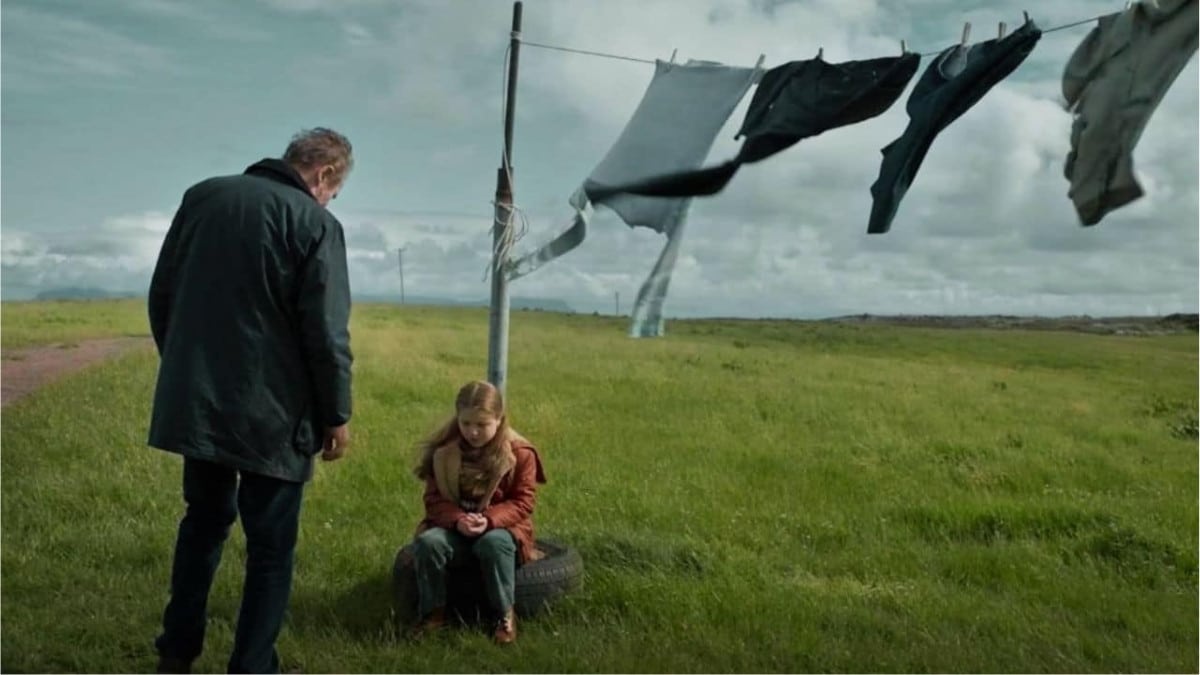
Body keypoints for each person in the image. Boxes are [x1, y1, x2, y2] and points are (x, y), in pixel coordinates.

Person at [147, 127, 355, 674]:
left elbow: (162, 294)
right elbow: (326, 334)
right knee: (270, 548)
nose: (333, 199)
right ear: (326, 175)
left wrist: (186, 370)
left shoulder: (202, 196)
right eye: (337, 190)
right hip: (275, 416)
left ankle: (176, 652)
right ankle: (252, 665)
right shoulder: (317, 223)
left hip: (201, 403)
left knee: (203, 521)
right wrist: (336, 414)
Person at [410, 380, 547, 645]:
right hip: (455, 526)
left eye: (482, 425)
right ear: (458, 419)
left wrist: (490, 520)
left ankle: (504, 614)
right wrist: (458, 519)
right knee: (429, 543)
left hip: (502, 528)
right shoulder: (444, 452)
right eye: (466, 424)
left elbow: (523, 501)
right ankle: (433, 613)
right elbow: (434, 499)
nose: (472, 432)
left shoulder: (520, 453)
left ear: (499, 419)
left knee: (493, 545)